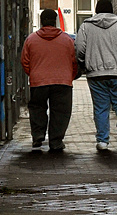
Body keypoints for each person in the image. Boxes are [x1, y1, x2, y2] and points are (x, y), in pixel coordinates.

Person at [74, 0, 117, 150]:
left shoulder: (86, 26)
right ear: (111, 10)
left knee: (101, 107)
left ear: (96, 10)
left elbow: (79, 48)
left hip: (96, 74)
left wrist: (82, 61)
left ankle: (102, 140)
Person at [20, 9, 79, 152]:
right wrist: (70, 76)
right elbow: (74, 61)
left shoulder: (31, 40)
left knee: (37, 108)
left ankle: (38, 135)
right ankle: (56, 141)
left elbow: (25, 61)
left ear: (41, 21)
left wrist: (33, 74)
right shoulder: (67, 40)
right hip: (62, 82)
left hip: (38, 81)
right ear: (56, 21)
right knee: (61, 112)